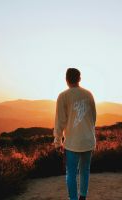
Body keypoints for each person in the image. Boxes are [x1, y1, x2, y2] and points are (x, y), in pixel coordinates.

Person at [53, 68, 97, 200]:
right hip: (88, 140)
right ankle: (82, 197)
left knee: (71, 173)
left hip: (72, 142)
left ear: (66, 79)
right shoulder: (89, 94)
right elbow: (93, 118)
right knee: (85, 171)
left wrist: (57, 141)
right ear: (79, 79)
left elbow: (60, 120)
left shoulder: (63, 96)